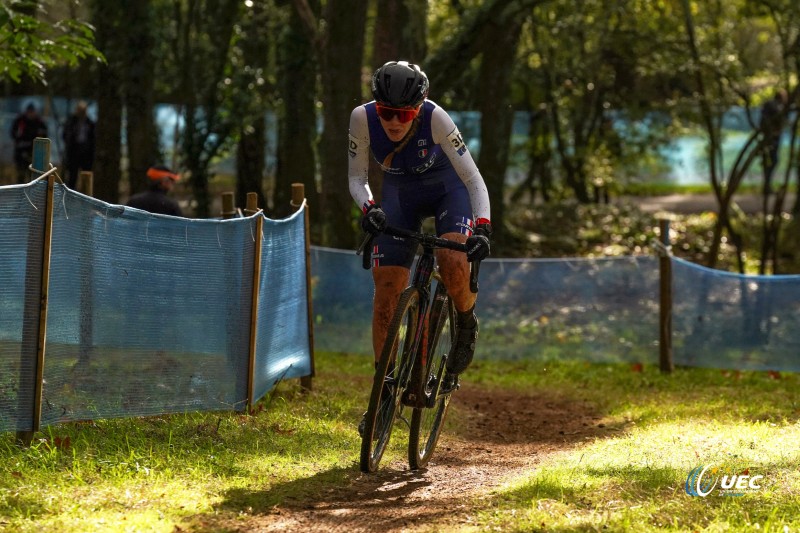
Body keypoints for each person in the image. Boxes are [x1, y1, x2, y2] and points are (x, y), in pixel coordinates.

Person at [348, 61, 492, 432]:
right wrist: (369, 209)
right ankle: (383, 395)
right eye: (387, 113)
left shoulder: (437, 119)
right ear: (376, 106)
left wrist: (482, 228)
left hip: (449, 190)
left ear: (420, 107)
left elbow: (473, 180)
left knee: (452, 258)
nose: (394, 122)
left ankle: (464, 320)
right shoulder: (361, 119)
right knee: (386, 290)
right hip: (400, 196)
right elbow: (356, 177)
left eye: (404, 113)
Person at [10, 102, 48, 184]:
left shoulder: (39, 122)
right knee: (21, 175)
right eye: (29, 112)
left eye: (32, 112)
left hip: (34, 152)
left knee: (33, 176)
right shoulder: (20, 120)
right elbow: (13, 133)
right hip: (21, 151)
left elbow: (44, 135)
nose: (30, 114)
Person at [759, 89, 788, 195]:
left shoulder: (773, 105)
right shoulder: (774, 106)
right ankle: (766, 187)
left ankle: (767, 186)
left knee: (770, 161)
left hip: (771, 137)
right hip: (771, 138)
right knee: (772, 160)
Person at [62, 101, 96, 189]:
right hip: (73, 152)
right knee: (72, 176)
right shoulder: (71, 122)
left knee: (86, 176)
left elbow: (93, 138)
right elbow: (65, 135)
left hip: (86, 153)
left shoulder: (90, 123)